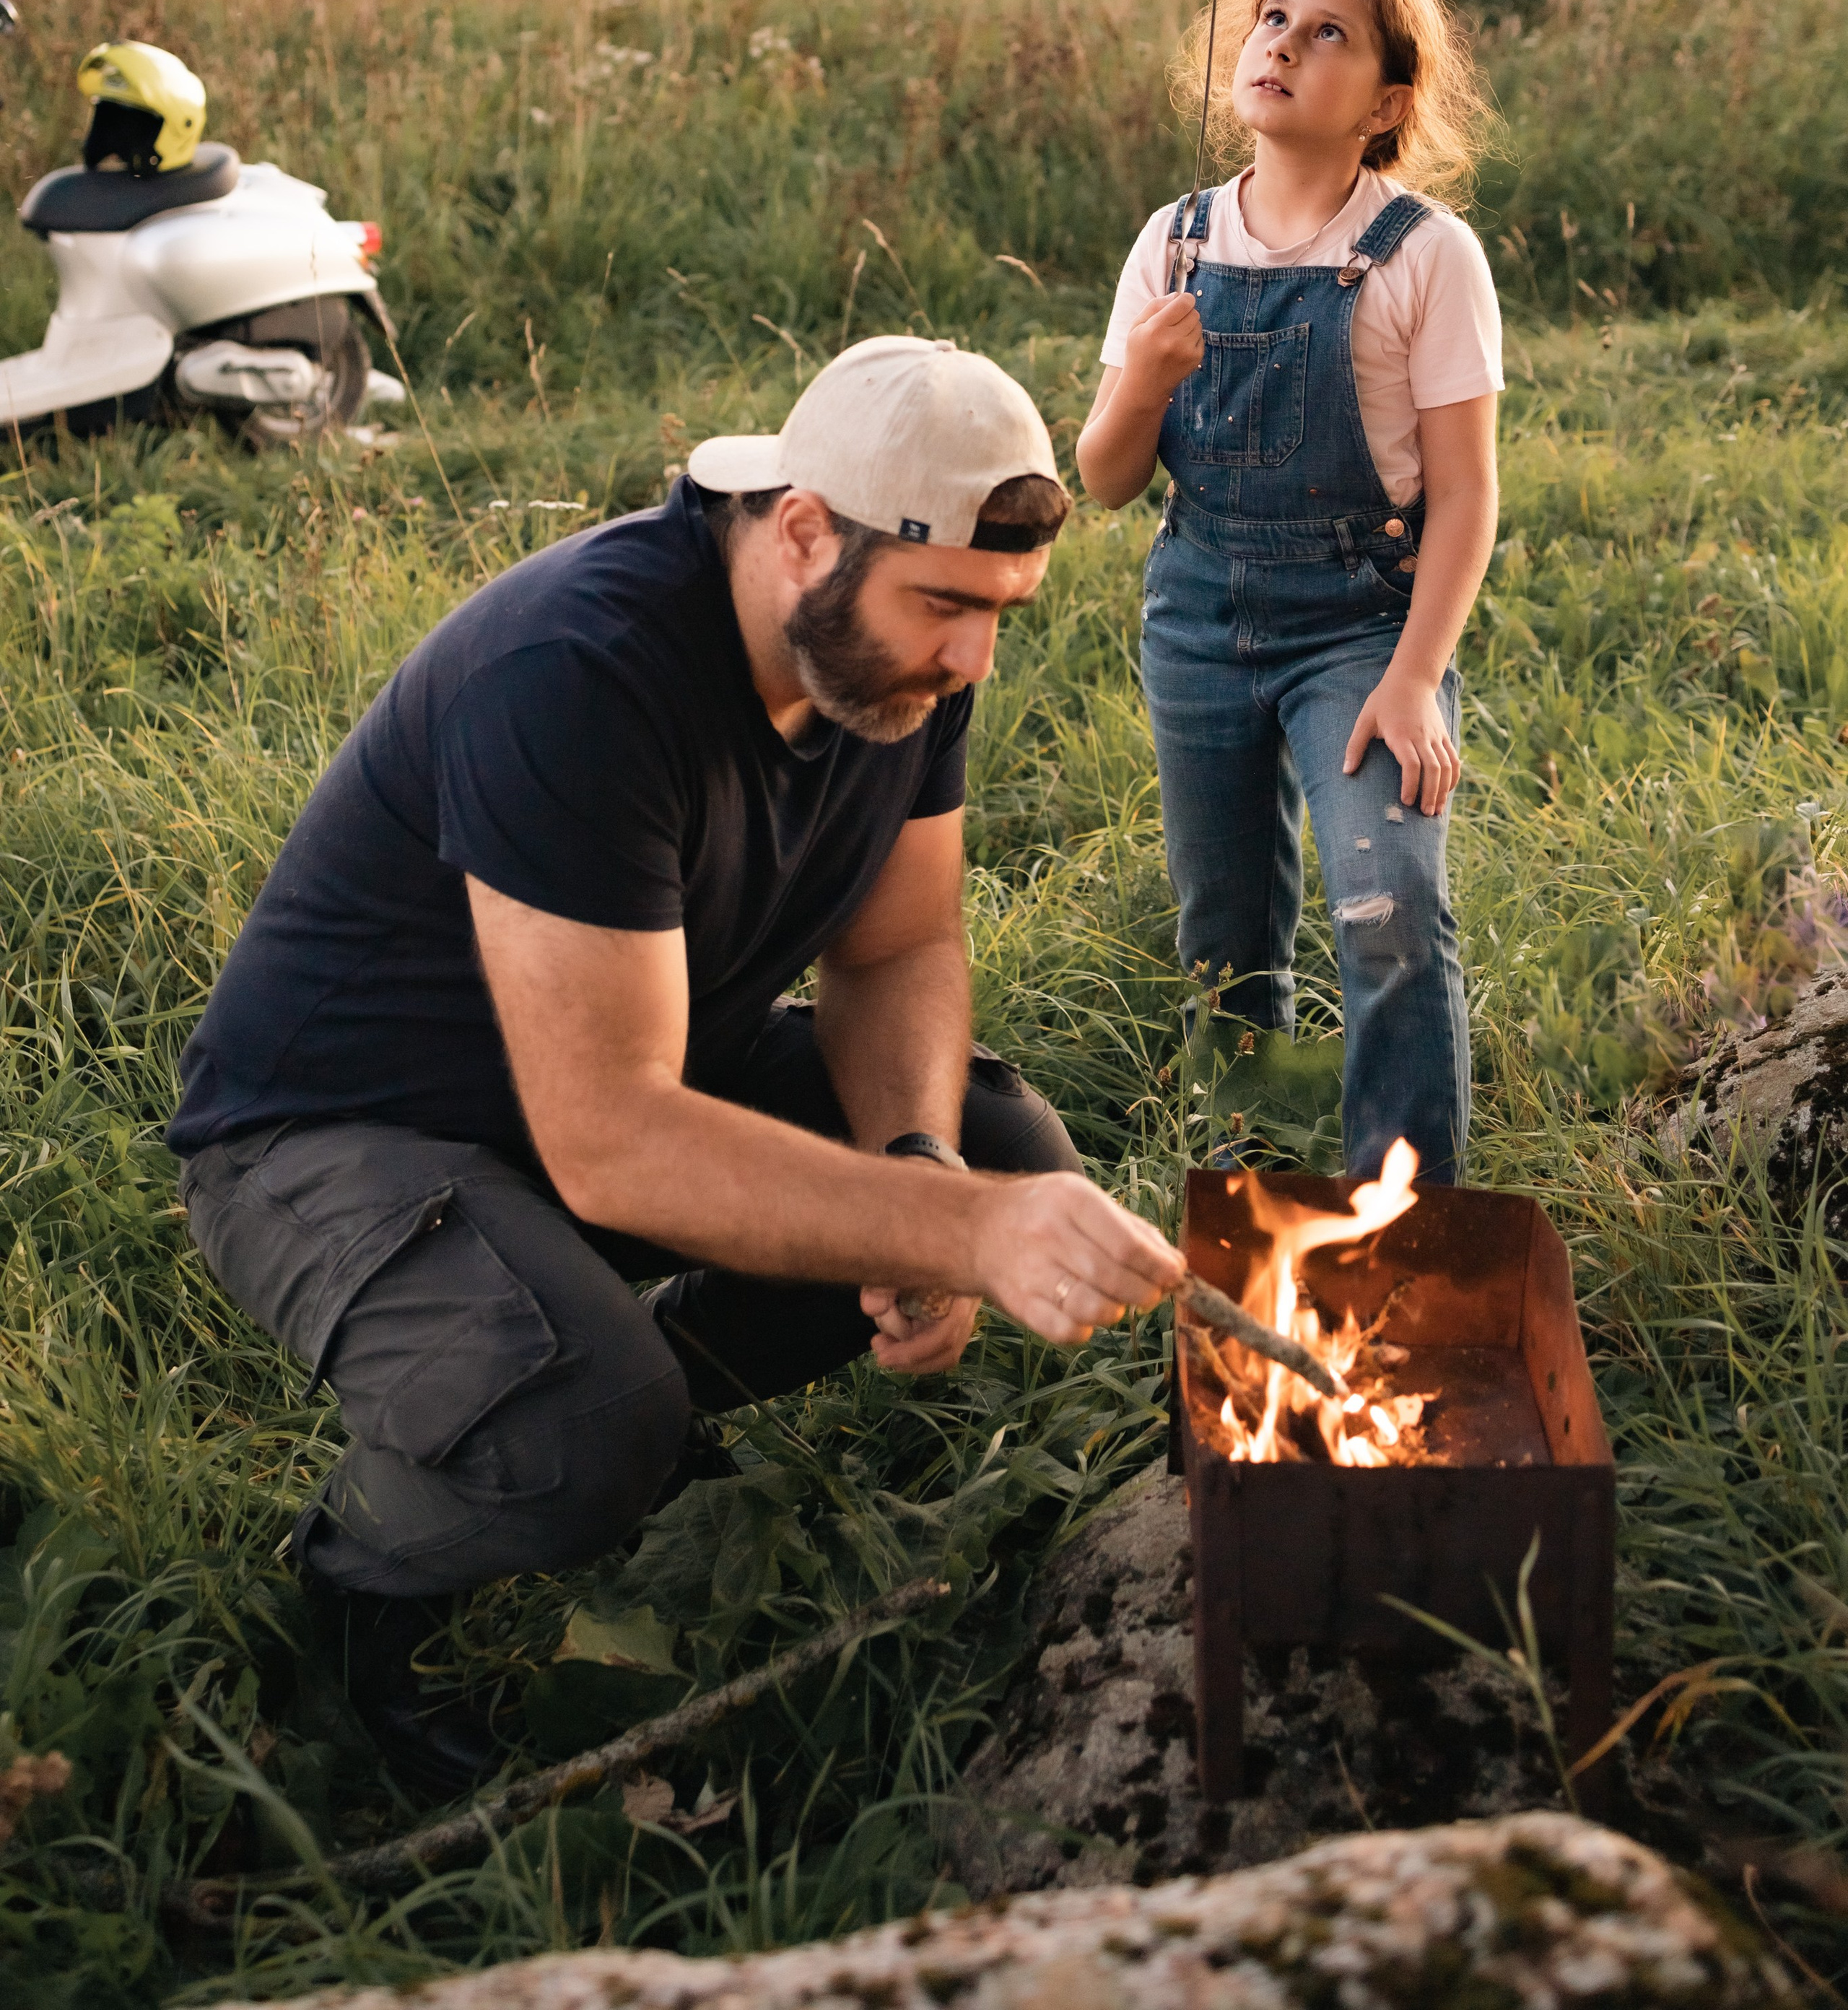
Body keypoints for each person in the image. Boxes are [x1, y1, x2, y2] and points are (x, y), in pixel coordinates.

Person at [170, 335, 1185, 1796]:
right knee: (584, 1418)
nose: (974, 659)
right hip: (334, 1142)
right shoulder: (578, 672)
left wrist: (919, 1172)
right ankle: (358, 1593)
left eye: (1002, 614)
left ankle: (625, 1402)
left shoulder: (890, 663)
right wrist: (954, 1233)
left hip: (620, 1085)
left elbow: (896, 950)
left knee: (996, 1148)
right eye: (949, 609)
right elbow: (612, 1141)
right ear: (800, 533)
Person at [1076, 0, 1502, 1185]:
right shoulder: (1178, 241)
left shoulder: (1425, 254)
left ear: (1385, 102)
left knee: (1387, 911)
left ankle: (1403, 1221)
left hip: (1364, 629)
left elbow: (1467, 498)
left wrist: (1416, 677)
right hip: (1199, 616)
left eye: (1330, 33)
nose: (1284, 44)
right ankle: (1249, 1189)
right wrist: (1141, 385)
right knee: (1224, 936)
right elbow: (1104, 479)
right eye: (1273, 17)